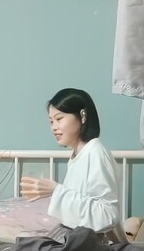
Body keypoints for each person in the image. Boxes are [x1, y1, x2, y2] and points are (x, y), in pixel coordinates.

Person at [20, 88, 127, 242]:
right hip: (77, 241)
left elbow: (107, 215)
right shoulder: (77, 156)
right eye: (51, 121)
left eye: (59, 119)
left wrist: (56, 191)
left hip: (88, 245)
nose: (54, 127)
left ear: (82, 116)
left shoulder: (95, 152)